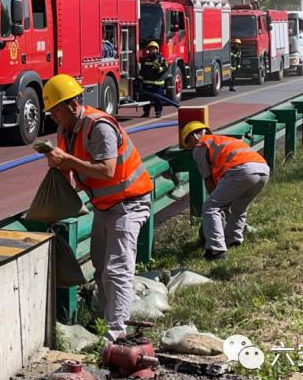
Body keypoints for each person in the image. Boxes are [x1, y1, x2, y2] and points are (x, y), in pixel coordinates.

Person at [41, 75, 154, 342]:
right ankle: (106, 322)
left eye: (56, 110)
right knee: (101, 266)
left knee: (117, 269)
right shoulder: (65, 131)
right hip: (104, 207)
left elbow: (107, 170)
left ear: (72, 104)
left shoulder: (98, 126)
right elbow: (72, 171)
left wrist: (67, 159)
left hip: (129, 204)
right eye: (51, 111)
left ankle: (116, 333)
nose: (53, 116)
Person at [180, 121, 269, 261]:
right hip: (263, 169)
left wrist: (218, 202)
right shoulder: (221, 140)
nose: (189, 147)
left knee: (211, 206)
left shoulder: (200, 145)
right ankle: (233, 240)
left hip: (241, 170)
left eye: (188, 142)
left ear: (193, 136)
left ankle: (216, 250)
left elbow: (208, 179)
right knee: (239, 207)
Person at [138, 41, 169, 117]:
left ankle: (158, 113)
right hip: (147, 83)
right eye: (151, 49)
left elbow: (166, 67)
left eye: (154, 49)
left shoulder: (161, 59)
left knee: (158, 99)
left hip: (157, 84)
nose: (153, 51)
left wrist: (160, 69)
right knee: (146, 100)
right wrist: (139, 80)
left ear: (157, 50)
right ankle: (146, 112)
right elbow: (143, 71)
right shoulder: (146, 59)